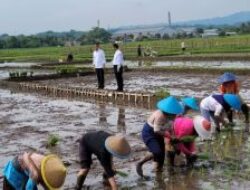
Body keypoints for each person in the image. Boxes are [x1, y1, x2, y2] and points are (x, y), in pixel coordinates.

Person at [136, 96, 184, 178]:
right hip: (149, 133)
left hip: (159, 134)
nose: (175, 115)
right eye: (173, 113)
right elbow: (156, 130)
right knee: (157, 152)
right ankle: (140, 163)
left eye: (175, 113)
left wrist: (174, 140)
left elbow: (170, 128)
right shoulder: (160, 115)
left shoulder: (172, 116)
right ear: (168, 111)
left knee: (161, 156)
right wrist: (170, 137)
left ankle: (158, 174)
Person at [3, 152, 67, 190]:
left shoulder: (46, 164)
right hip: (13, 176)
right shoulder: (35, 174)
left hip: (25, 171)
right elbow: (29, 188)